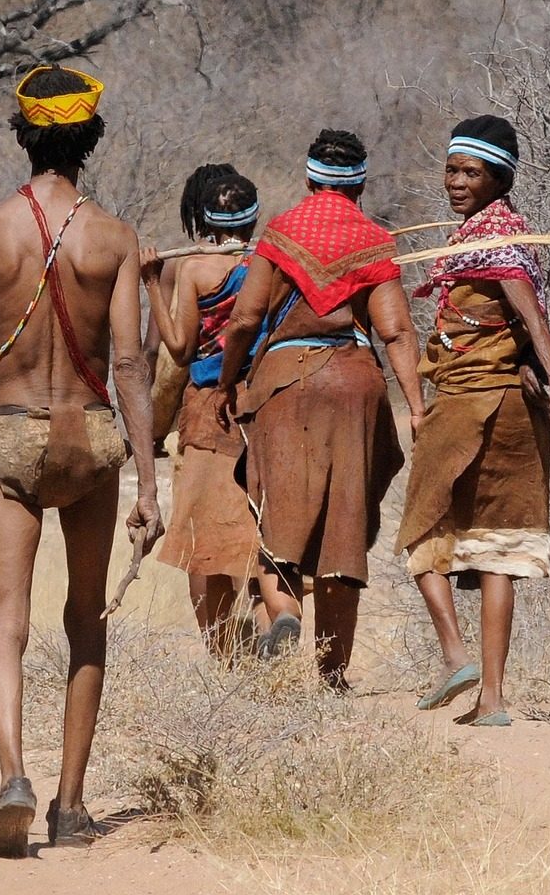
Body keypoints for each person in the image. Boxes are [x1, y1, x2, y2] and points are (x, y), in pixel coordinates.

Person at [0, 64, 162, 858]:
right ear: (90, 137)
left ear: (24, 135)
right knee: (86, 619)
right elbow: (130, 363)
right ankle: (71, 808)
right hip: (93, 439)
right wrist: (148, 482)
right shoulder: (116, 238)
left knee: (8, 622)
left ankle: (13, 777)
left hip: (14, 434)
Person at [216, 129, 425, 688]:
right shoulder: (374, 240)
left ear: (309, 180)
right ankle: (333, 676)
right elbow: (396, 331)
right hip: (355, 383)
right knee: (343, 529)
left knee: (278, 512)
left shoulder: (281, 232)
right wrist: (417, 407)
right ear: (360, 186)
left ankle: (285, 612)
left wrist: (227, 383)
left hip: (286, 383)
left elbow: (245, 318)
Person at [398, 116, 550, 726]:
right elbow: (520, 325)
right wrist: (541, 381)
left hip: (469, 405)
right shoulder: (505, 236)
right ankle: (493, 700)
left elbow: (533, 321)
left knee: (423, 531)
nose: (456, 182)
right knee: (498, 548)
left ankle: (457, 656)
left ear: (499, 179)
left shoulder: (494, 242)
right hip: (513, 412)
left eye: (471, 173)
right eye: (452, 170)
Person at [140, 173, 263, 657]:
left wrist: (152, 284)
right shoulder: (267, 264)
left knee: (204, 536)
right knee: (260, 528)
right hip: (264, 401)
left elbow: (179, 348)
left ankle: (225, 654)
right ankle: (270, 631)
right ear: (253, 219)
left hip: (210, 407)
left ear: (206, 224)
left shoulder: (192, 269)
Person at [143, 163, 237, 458]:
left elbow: (154, 350)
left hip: (196, 396)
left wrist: (151, 428)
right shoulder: (255, 259)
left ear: (195, 209)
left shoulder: (179, 265)